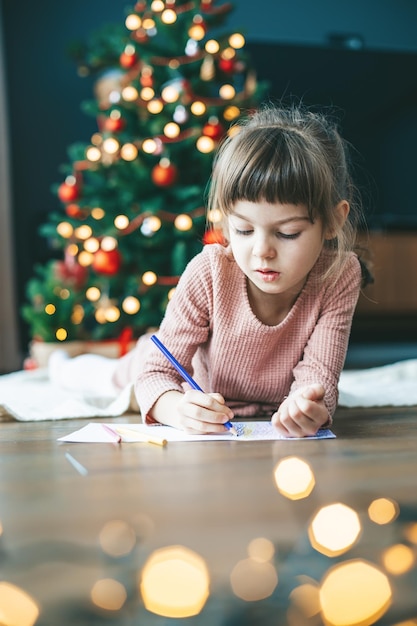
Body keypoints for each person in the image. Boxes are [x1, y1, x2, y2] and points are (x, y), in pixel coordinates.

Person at [50, 103, 370, 437]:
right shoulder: (209, 270)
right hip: (164, 358)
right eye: (244, 230)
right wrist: (176, 408)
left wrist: (307, 405)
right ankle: (62, 366)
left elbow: (320, 377)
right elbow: (155, 374)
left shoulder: (340, 273)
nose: (262, 251)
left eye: (287, 233)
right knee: (104, 379)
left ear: (334, 221)